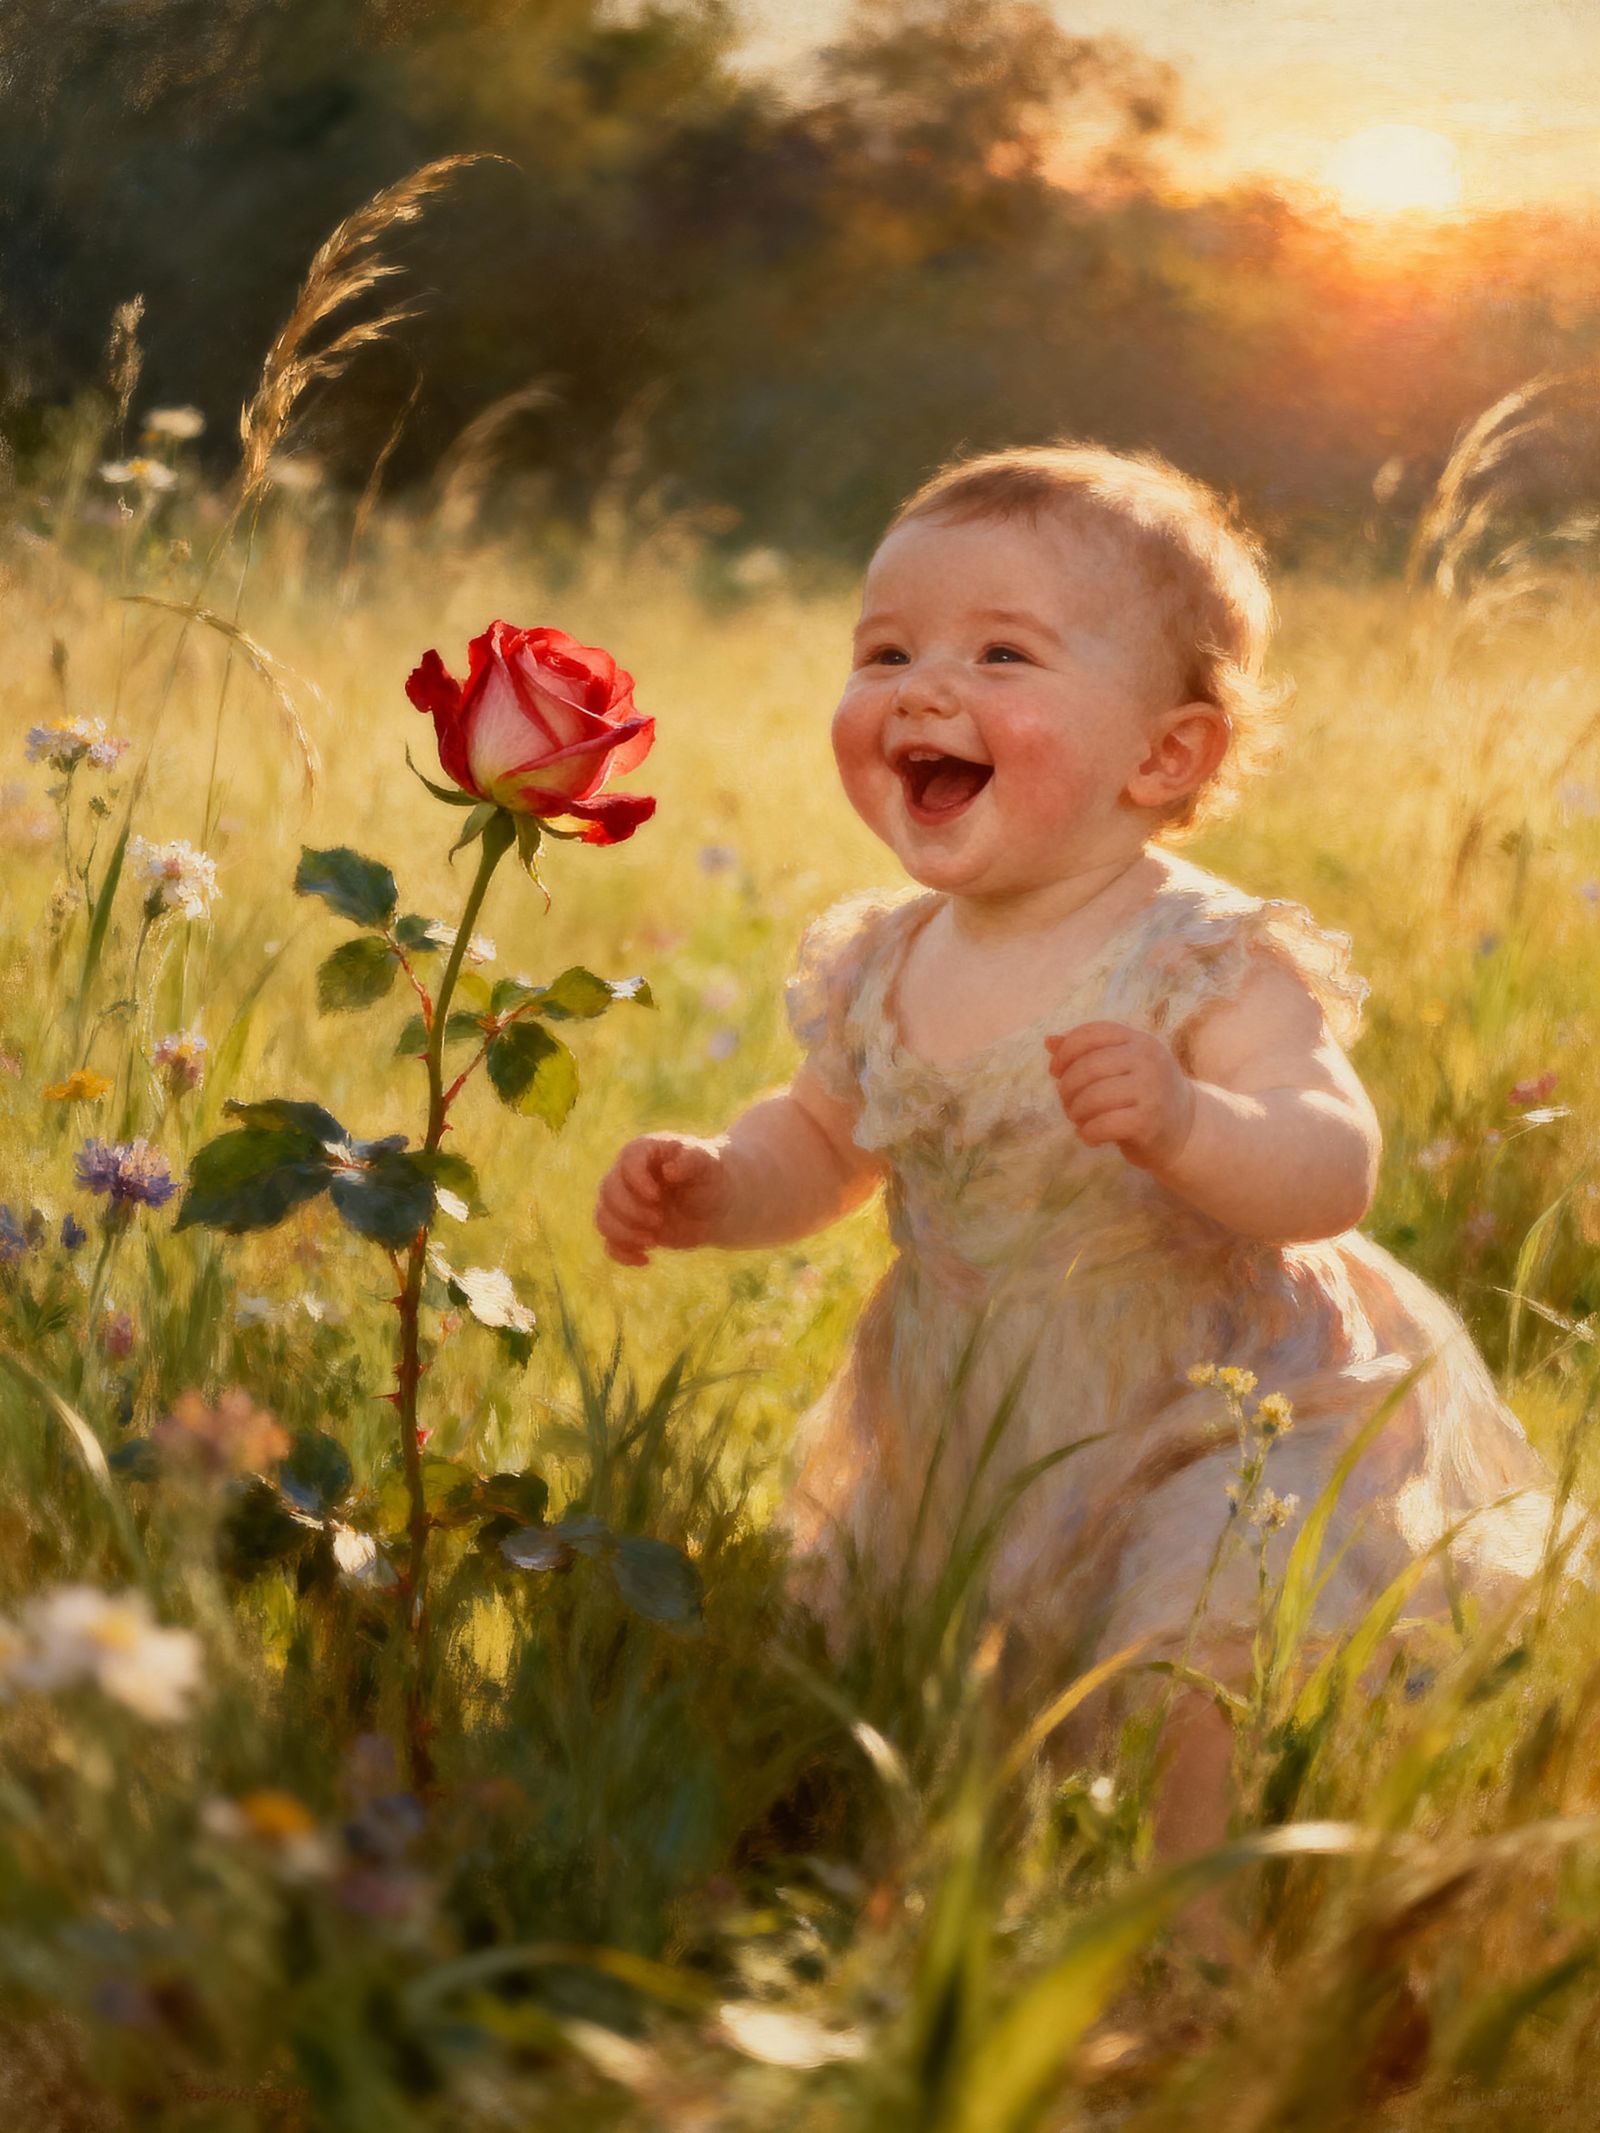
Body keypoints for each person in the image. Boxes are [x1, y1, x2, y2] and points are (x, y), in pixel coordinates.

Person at [593, 442, 1563, 1850]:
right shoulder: (882, 957)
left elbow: (1329, 1158)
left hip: (1216, 1414)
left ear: (1166, 754)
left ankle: (1196, 1951)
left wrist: (1189, 1122)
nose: (923, 689)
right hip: (969, 1430)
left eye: (1002, 654)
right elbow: (821, 1135)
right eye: (887, 649)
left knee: (1194, 1648)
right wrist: (720, 1182)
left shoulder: (1201, 956)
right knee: (922, 1687)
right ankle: (909, 1875)